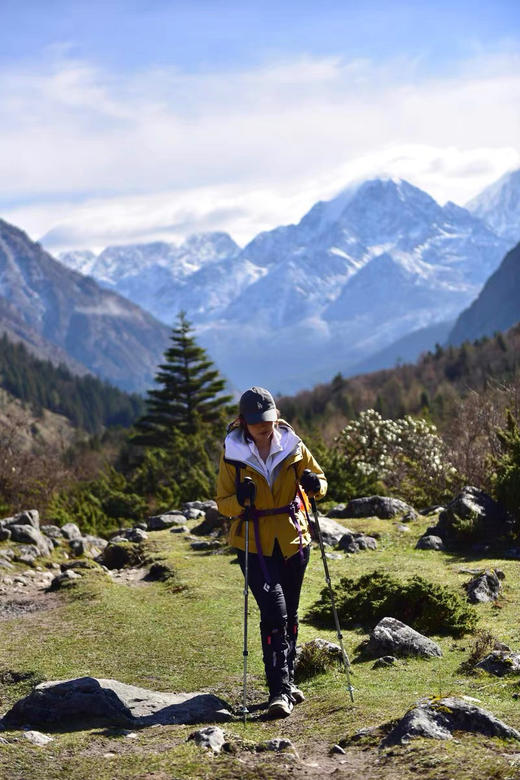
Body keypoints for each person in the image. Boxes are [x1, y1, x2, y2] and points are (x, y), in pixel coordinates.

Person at [216, 386, 327, 718]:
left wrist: (313, 485)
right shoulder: (232, 454)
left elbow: (320, 481)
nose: (265, 427)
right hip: (253, 545)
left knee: (291, 615)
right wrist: (240, 499)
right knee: (275, 613)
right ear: (244, 423)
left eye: (269, 419)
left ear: (276, 416)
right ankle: (278, 692)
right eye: (257, 422)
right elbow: (223, 504)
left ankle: (288, 683)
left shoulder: (293, 446)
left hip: (294, 539)